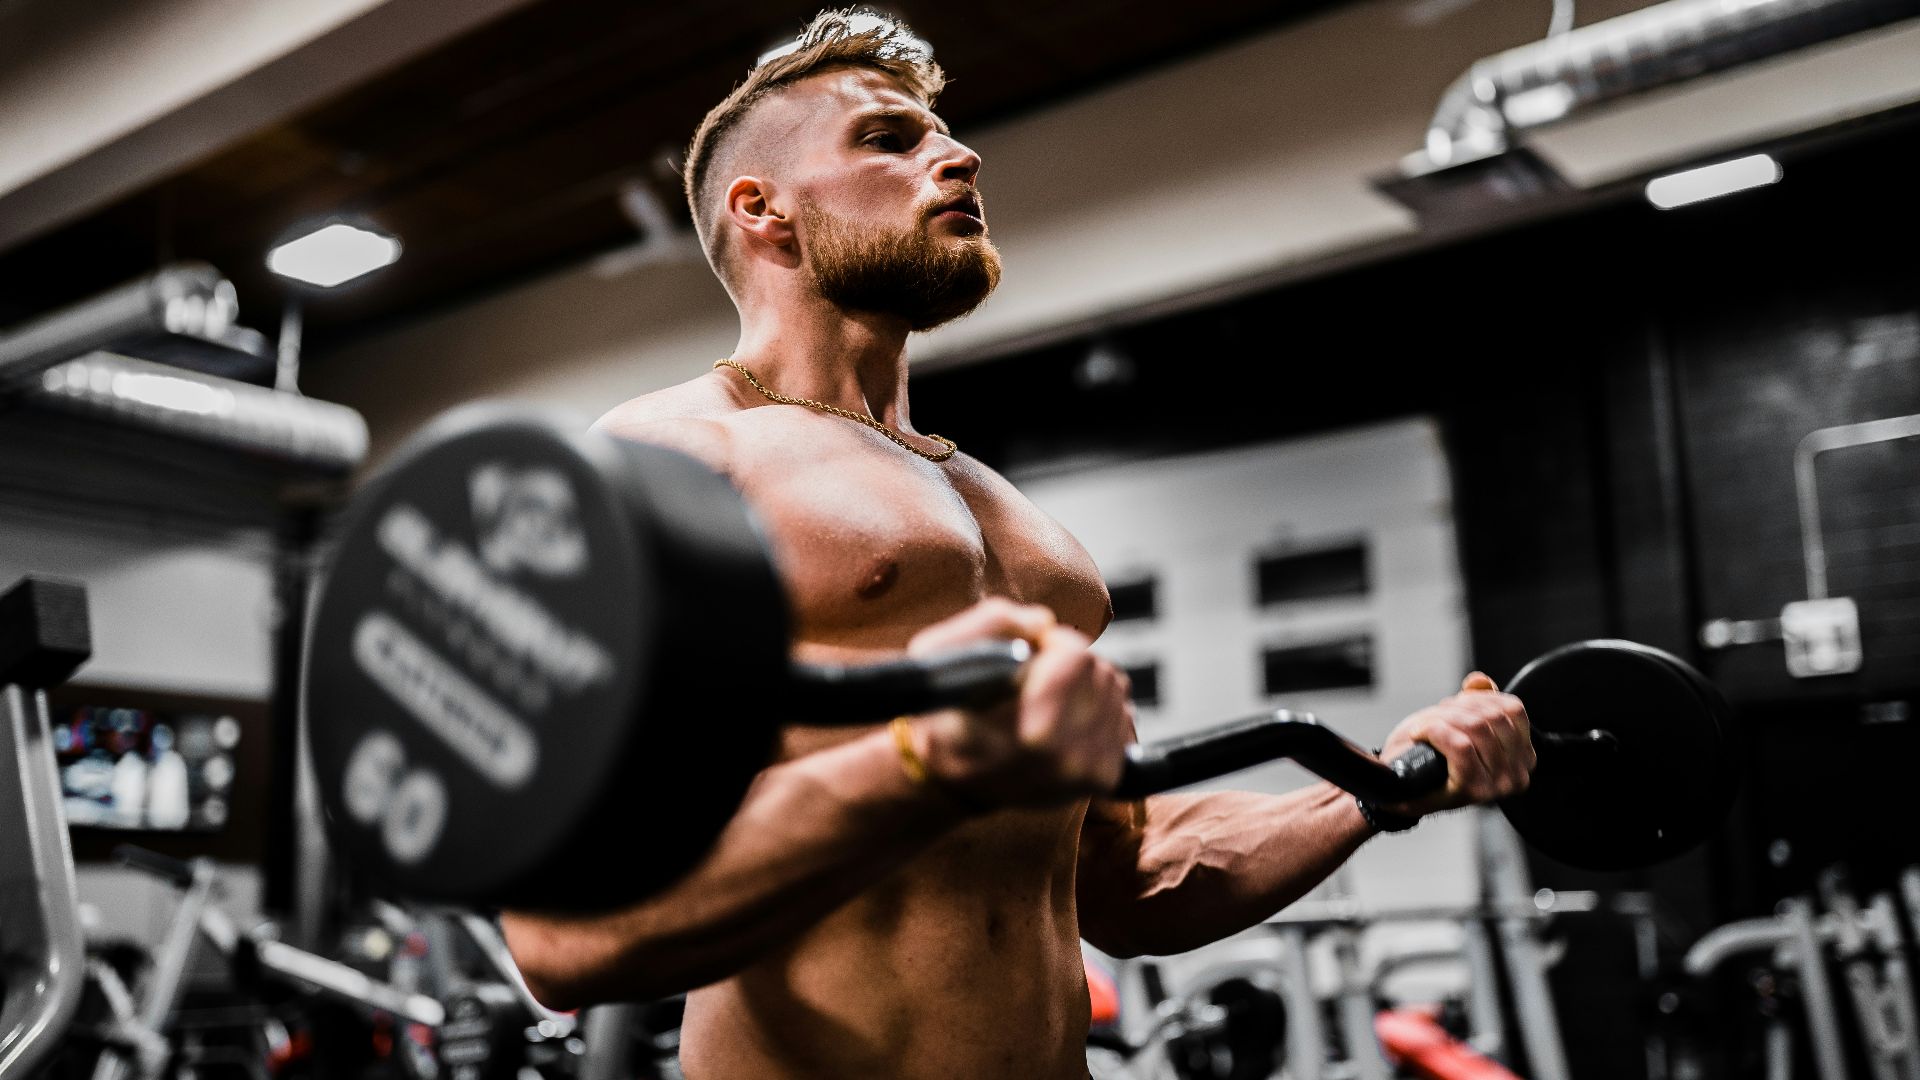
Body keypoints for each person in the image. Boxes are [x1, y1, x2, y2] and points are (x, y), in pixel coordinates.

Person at [499, 11, 1536, 1079]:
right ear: (764, 210)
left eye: (943, 135)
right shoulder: (666, 463)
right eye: (891, 139)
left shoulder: (1018, 527)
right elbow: (565, 939)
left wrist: (1378, 785)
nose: (959, 154)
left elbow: (1129, 883)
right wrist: (921, 760)